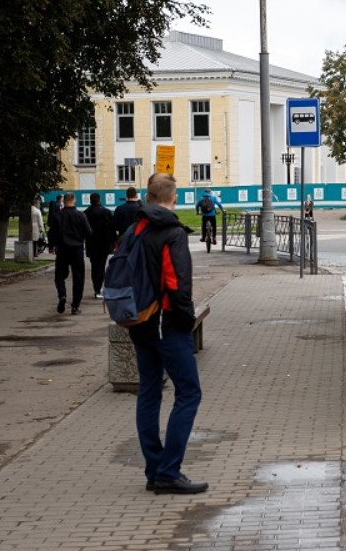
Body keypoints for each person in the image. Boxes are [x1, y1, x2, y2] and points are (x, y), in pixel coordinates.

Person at [128, 172, 206, 495]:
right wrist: (186, 320)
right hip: (167, 325)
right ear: (173, 197)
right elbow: (177, 285)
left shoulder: (135, 228)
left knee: (149, 392)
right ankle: (169, 471)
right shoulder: (172, 232)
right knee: (189, 393)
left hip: (139, 322)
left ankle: (153, 468)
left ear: (148, 196)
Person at [51, 192, 91, 315]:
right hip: (77, 249)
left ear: (63, 201)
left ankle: (62, 294)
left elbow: (52, 233)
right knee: (78, 277)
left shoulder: (56, 216)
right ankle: (75, 306)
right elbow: (88, 232)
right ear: (74, 200)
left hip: (62, 249)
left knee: (59, 275)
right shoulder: (81, 215)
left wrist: (51, 246)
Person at [84, 193, 115, 299]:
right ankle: (99, 288)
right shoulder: (106, 212)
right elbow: (111, 229)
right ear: (99, 200)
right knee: (101, 266)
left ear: (90, 200)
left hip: (92, 244)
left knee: (94, 267)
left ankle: (96, 288)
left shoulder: (86, 213)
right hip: (104, 244)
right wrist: (113, 241)